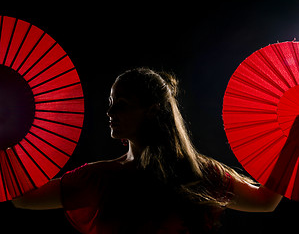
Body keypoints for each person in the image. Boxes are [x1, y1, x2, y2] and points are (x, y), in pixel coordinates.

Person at [12, 67, 283, 233]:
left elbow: (265, 202)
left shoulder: (197, 172)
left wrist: (293, 142)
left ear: (152, 111)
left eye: (122, 103)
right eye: (110, 102)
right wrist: (7, 131)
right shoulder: (99, 177)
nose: (109, 111)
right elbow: (23, 198)